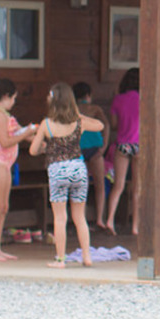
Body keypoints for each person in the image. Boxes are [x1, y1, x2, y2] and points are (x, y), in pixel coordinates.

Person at [29, 82, 105, 267]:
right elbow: (100, 125)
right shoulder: (79, 123)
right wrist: (79, 115)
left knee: (60, 217)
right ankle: (87, 256)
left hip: (57, 170)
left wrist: (44, 148)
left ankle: (61, 259)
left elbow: (32, 150)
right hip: (78, 169)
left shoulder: (46, 124)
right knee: (80, 217)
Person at [0, 78, 35, 261]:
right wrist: (26, 132)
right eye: (14, 98)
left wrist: (38, 132)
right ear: (6, 96)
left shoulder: (8, 117)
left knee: (3, 206)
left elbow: (23, 135)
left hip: (5, 164)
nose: (14, 102)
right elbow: (5, 141)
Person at [100, 69, 141, 235]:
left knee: (118, 185)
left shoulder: (118, 100)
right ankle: (135, 226)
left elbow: (114, 125)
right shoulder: (143, 99)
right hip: (139, 145)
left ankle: (110, 220)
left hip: (122, 145)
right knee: (137, 188)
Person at [73, 81, 110, 196]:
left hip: (78, 150)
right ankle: (100, 215)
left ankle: (79, 214)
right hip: (95, 149)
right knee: (100, 186)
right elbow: (106, 125)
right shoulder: (94, 109)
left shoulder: (71, 110)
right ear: (88, 95)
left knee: (80, 187)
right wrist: (104, 147)